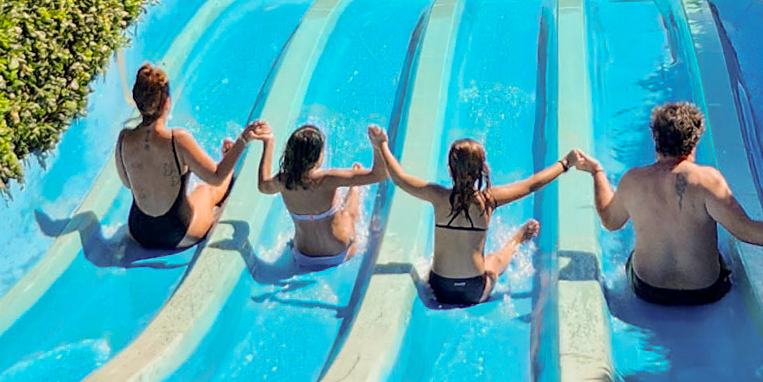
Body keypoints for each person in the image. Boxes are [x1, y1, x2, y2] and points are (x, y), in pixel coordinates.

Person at [574, 102, 763, 306]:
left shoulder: (633, 181)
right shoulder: (708, 181)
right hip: (705, 292)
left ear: (656, 138)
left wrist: (597, 172)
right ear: (694, 142)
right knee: (727, 252)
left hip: (648, 290)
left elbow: (610, 222)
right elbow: (746, 231)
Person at [369, 123, 578, 307]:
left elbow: (399, 178)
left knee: (431, 262)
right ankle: (518, 238)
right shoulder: (489, 200)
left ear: (450, 169)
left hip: (440, 289)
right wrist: (565, 163)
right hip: (474, 290)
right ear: (482, 169)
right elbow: (532, 184)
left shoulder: (437, 196)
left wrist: (382, 145)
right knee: (494, 260)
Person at [115, 63, 264, 251]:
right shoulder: (177, 139)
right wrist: (243, 140)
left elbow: (127, 182)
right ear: (166, 103)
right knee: (206, 190)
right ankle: (228, 160)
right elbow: (216, 177)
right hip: (177, 233)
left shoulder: (124, 138)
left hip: (138, 231)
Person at [255, 122, 387, 270]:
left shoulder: (283, 181)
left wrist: (268, 142)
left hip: (304, 256)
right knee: (348, 214)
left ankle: (354, 187)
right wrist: (378, 146)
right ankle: (355, 188)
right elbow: (379, 175)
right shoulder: (328, 179)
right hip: (340, 252)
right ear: (319, 156)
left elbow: (263, 185)